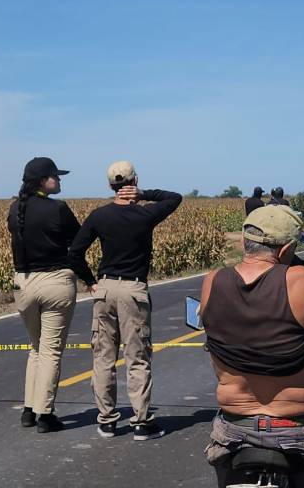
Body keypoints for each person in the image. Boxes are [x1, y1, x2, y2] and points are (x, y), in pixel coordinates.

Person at [199, 205, 304, 488]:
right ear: (286, 249)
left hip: (233, 429)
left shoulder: (212, 281)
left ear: (243, 241)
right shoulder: (301, 280)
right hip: (295, 430)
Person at [69, 161, 182, 441]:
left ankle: (107, 420)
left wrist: (91, 283)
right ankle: (141, 422)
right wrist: (142, 193)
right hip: (133, 288)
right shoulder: (144, 215)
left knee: (103, 357)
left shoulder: (99, 216)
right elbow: (174, 197)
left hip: (105, 288)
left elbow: (74, 252)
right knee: (137, 357)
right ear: (134, 181)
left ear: (110, 186)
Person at [7, 157, 91, 433]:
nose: (60, 180)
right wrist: (89, 279)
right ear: (43, 180)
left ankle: (29, 410)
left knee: (36, 347)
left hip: (24, 283)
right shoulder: (58, 209)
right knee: (51, 350)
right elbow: (78, 243)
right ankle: (46, 414)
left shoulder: (14, 209)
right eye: (56, 176)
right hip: (55, 282)